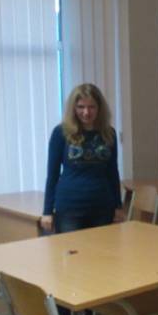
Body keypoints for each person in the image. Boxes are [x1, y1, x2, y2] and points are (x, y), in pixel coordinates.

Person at [41, 83, 124, 234]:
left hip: (102, 207)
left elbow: (113, 172)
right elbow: (52, 175)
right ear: (74, 108)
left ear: (99, 108)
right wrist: (47, 211)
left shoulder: (109, 133)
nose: (86, 112)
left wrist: (118, 206)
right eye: (81, 107)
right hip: (69, 209)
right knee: (72, 249)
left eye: (91, 107)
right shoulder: (61, 133)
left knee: (103, 249)